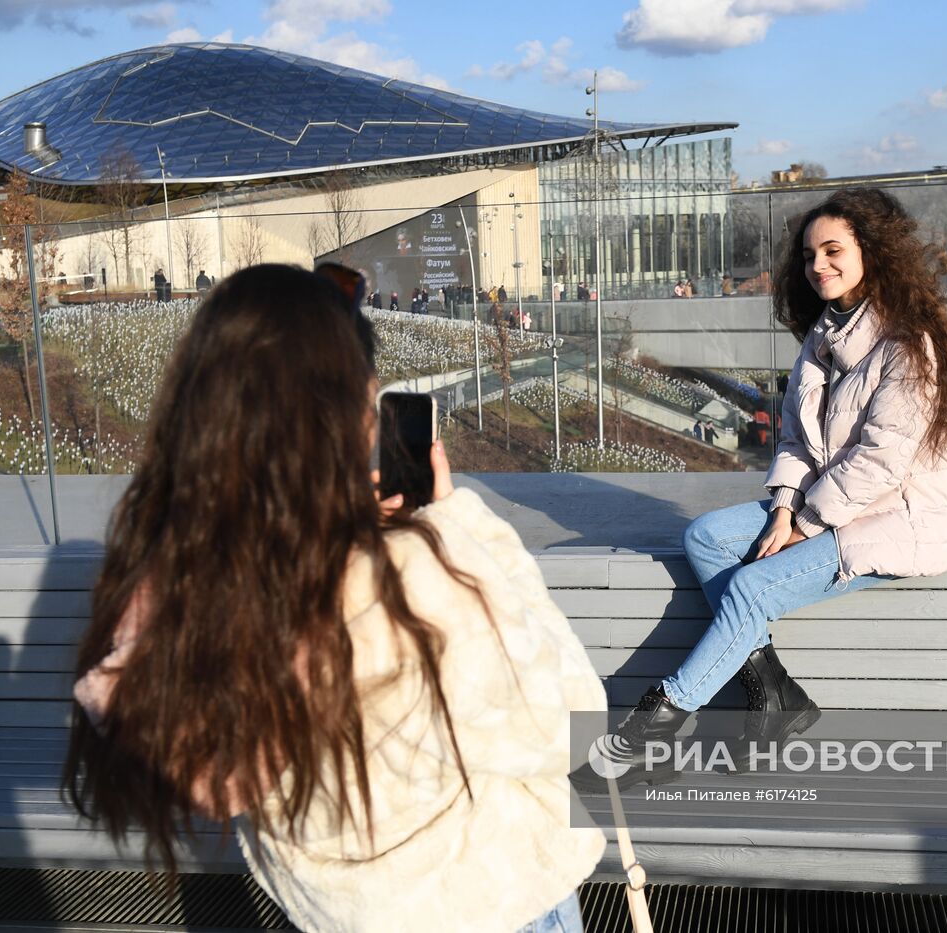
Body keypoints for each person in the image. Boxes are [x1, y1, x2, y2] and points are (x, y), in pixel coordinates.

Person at [64, 264, 606, 932]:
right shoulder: (403, 584)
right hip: (491, 908)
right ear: (345, 421)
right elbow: (575, 721)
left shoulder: (185, 582)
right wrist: (457, 523)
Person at [573, 187, 947, 789]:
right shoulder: (823, 338)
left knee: (750, 587)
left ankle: (652, 730)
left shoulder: (907, 345)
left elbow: (881, 462)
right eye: (807, 255)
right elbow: (796, 442)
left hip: (907, 515)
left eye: (832, 250)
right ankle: (772, 693)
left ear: (871, 254)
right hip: (837, 503)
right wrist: (783, 508)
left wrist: (803, 524)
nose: (816, 265)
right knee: (709, 537)